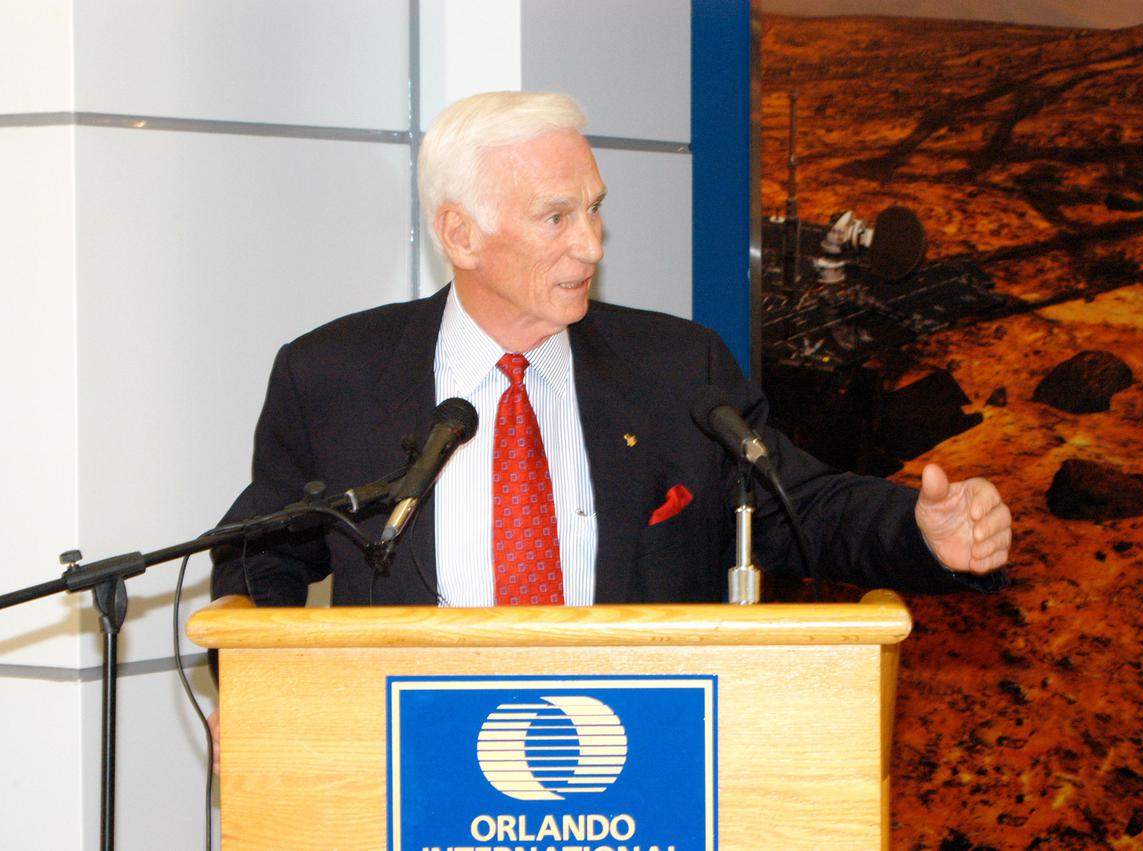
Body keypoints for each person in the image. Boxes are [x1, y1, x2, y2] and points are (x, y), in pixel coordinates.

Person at [206, 89, 1012, 767]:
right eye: (555, 217)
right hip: (412, 776)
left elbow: (801, 507)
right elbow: (259, 553)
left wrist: (919, 529)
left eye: (593, 210)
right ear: (461, 234)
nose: (589, 244)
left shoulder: (677, 368)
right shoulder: (334, 374)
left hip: (636, 780)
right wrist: (252, 691)